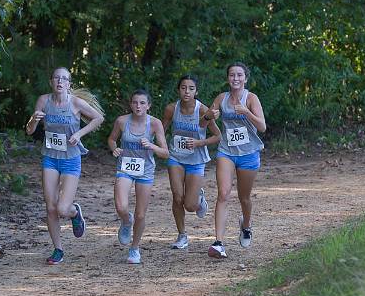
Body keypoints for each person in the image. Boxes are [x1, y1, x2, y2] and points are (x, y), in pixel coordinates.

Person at [25, 67, 104, 264]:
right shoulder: (43, 101)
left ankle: (74, 212)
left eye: (64, 79)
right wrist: (33, 120)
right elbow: (29, 131)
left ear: (69, 84)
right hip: (50, 157)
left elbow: (98, 118)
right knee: (50, 208)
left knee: (62, 208)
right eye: (56, 78)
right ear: (51, 82)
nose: (60, 81)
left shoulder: (75, 103)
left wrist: (79, 134)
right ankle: (58, 249)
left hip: (70, 159)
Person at [203, 62, 266, 259]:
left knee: (244, 198)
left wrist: (247, 112)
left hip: (248, 154)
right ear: (228, 78)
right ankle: (219, 242)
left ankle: (246, 226)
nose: (235, 78)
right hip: (226, 152)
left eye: (239, 75)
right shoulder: (221, 98)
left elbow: (262, 127)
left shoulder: (251, 98)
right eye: (232, 75)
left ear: (245, 79)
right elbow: (202, 122)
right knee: (223, 193)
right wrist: (208, 116)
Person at [107, 89, 169, 264]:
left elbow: (165, 153)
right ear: (130, 104)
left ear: (149, 105)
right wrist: (114, 149)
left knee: (141, 214)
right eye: (135, 102)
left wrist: (152, 146)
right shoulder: (122, 121)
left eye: (142, 103)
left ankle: (134, 248)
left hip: (145, 170)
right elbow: (111, 139)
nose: (138, 106)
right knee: (121, 206)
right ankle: (127, 221)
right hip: (125, 168)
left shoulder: (155, 124)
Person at [162, 75, 221, 249]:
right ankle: (182, 235)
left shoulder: (203, 110)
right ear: (178, 89)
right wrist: (160, 148)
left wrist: (199, 143)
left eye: (191, 88)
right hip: (176, 157)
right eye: (183, 88)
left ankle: (198, 198)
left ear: (196, 91)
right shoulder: (171, 109)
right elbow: (160, 131)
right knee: (177, 196)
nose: (187, 91)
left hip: (196, 159)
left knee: (190, 205)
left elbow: (218, 136)